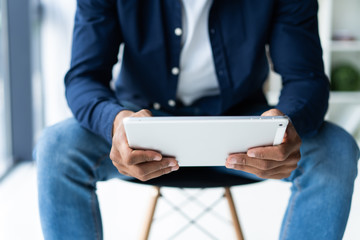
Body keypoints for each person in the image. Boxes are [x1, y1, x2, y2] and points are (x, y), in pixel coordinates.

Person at [34, 0, 360, 239]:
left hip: (239, 129)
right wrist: (116, 122)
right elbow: (83, 77)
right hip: (143, 128)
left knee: (336, 150)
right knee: (56, 146)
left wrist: (287, 122)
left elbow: (306, 78)